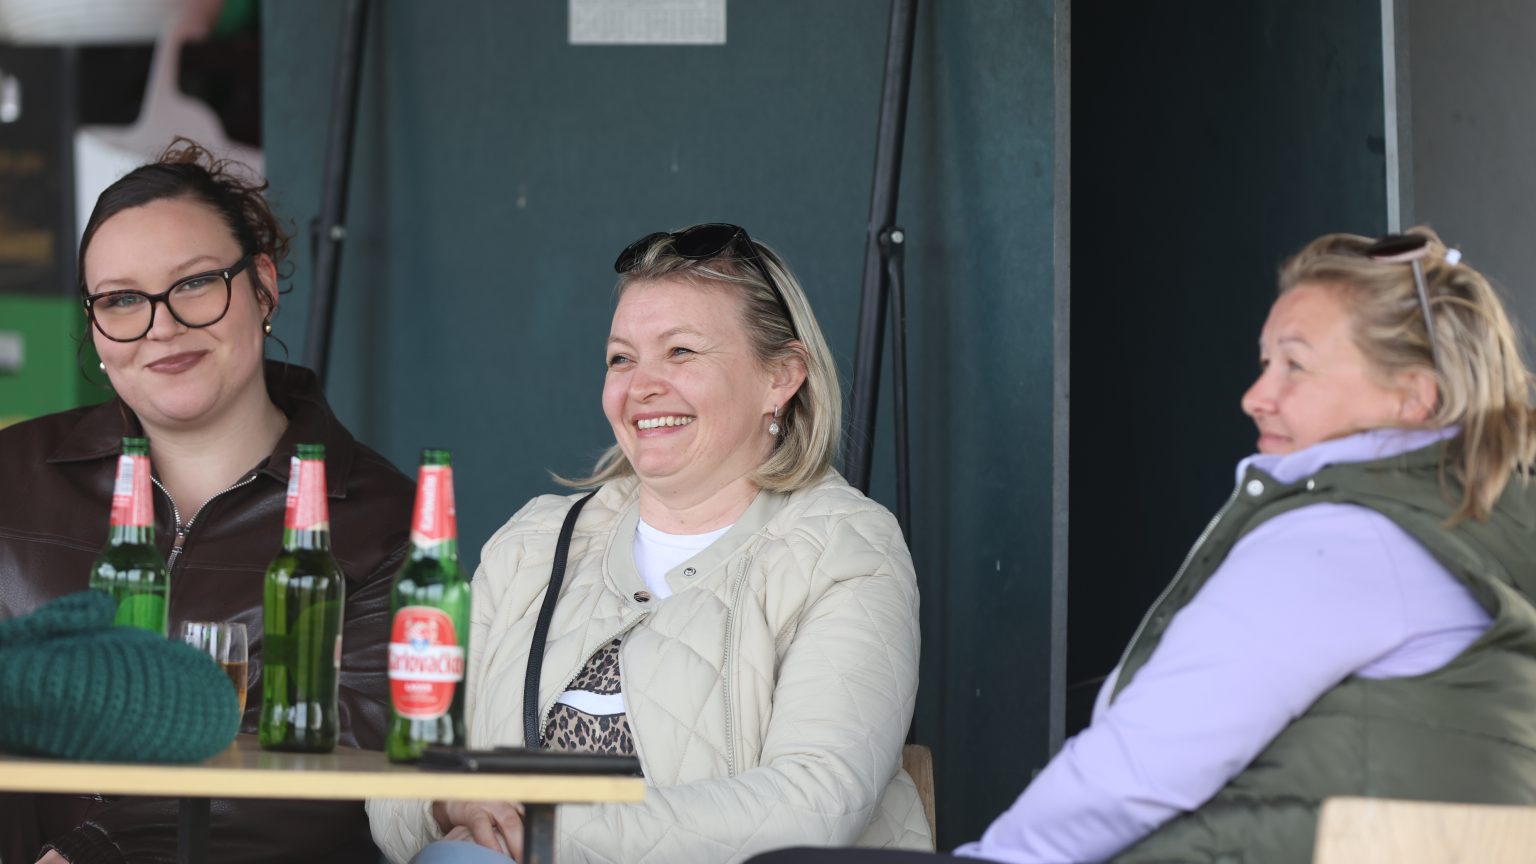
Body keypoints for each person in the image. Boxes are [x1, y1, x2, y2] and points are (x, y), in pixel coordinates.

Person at [749, 227, 1536, 864]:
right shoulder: (1468, 527)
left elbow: (1146, 763)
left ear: (1414, 397)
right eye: (1265, 363)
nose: (1256, 395)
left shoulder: (1346, 540)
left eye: (1295, 366)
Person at [366, 223, 930, 863]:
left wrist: (540, 827)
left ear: (781, 376)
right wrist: (449, 804)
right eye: (621, 359)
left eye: (681, 351)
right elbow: (401, 773)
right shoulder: (533, 544)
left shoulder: (845, 549)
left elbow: (813, 806)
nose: (641, 386)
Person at [0, 140, 415, 864]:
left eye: (193, 283)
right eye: (121, 299)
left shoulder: (380, 519)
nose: (160, 325)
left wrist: (97, 854)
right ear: (95, 326)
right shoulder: (12, 473)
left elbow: (350, 766)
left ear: (262, 287)